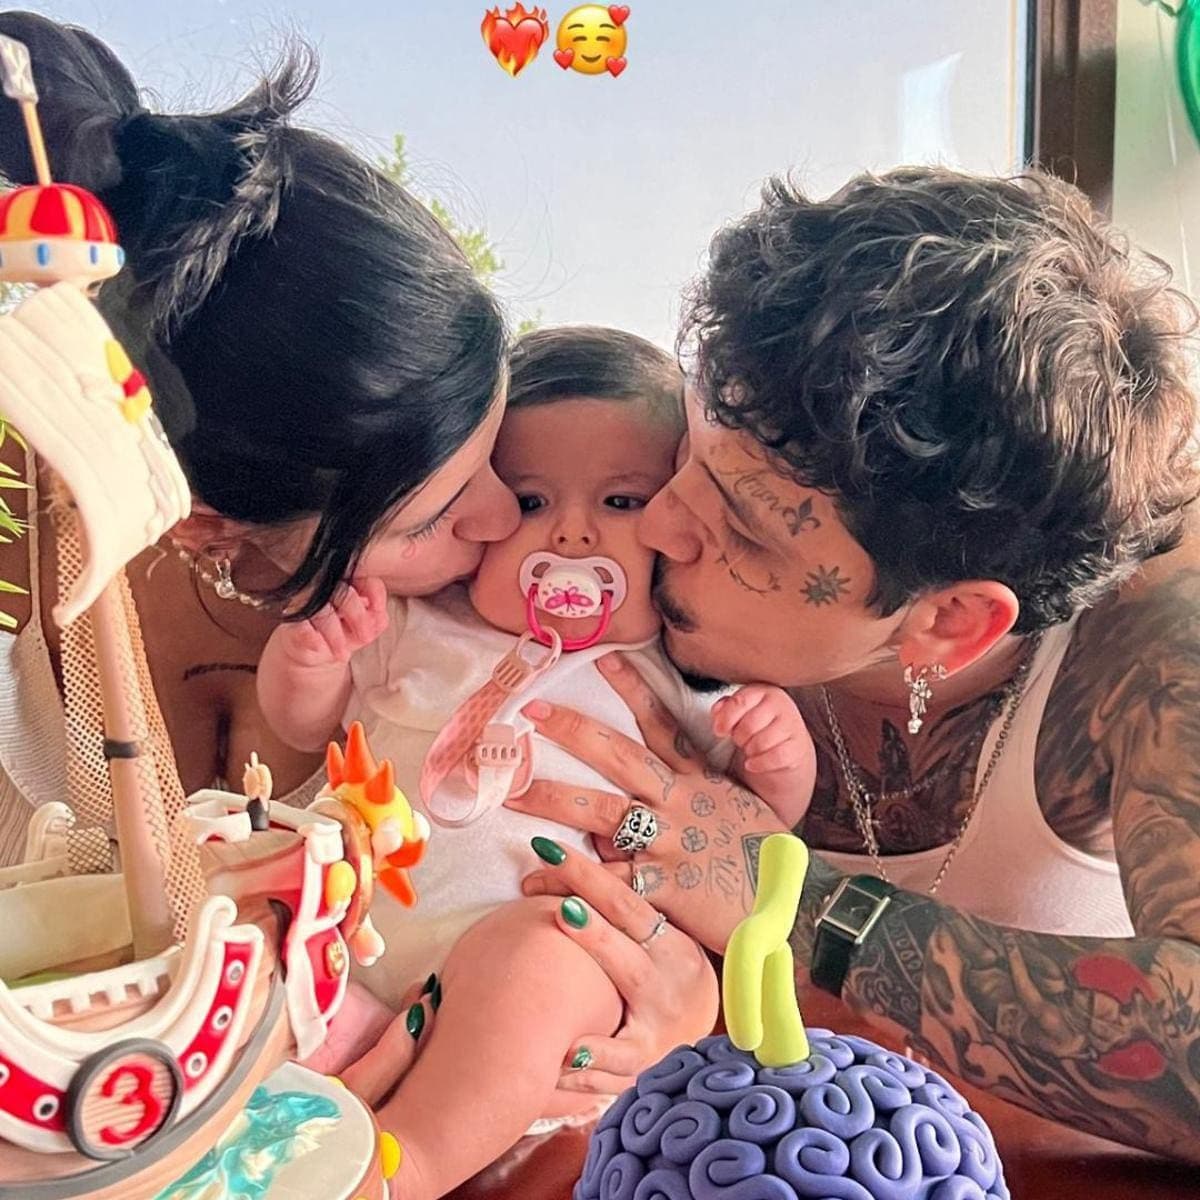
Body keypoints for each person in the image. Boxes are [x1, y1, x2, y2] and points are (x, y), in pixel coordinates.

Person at [511, 169, 1200, 1163]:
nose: (659, 524)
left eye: (744, 531)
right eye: (691, 457)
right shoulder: (619, 535)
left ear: (949, 622)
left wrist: (793, 904)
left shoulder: (1154, 635)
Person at [256, 326, 814, 1200]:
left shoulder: (678, 674)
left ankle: (407, 1166)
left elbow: (755, 827)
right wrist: (311, 656)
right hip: (344, 943)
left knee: (543, 959)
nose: (574, 531)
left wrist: (777, 753)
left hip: (538, 968)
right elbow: (303, 725)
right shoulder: (417, 622)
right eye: (528, 499)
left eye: (622, 501)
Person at [0, 9, 515, 871]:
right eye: (431, 519)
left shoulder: (482, 619)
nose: (505, 518)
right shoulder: (26, 546)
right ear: (203, 524)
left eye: (496, 458)